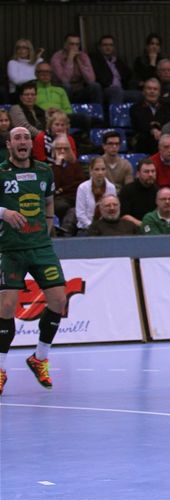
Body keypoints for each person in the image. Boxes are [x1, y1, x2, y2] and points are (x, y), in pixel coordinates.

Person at [0, 127, 68, 396]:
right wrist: (4, 213)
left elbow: (49, 201)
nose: (22, 142)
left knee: (59, 301)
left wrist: (48, 226)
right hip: (10, 249)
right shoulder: (1, 172)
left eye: (26, 138)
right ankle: (0, 368)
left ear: (31, 144)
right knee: (6, 306)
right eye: (17, 138)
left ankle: (39, 358)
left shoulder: (43, 171)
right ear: (9, 144)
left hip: (41, 247)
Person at [33, 62, 91, 134]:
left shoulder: (60, 90)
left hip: (61, 116)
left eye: (48, 72)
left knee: (85, 118)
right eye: (42, 72)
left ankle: (83, 139)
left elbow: (68, 110)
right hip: (42, 117)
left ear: (51, 74)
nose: (45, 74)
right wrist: (45, 112)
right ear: (36, 74)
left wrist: (59, 111)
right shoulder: (32, 90)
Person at [50, 33, 102, 104]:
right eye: (71, 44)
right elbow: (65, 80)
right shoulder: (57, 57)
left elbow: (91, 79)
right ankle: (67, 110)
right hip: (62, 90)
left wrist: (79, 62)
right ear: (65, 45)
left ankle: (97, 111)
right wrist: (70, 59)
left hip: (79, 90)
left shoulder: (83, 56)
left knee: (95, 86)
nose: (74, 47)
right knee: (67, 86)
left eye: (77, 44)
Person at [50, 133, 84, 235]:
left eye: (65, 148)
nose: (62, 151)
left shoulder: (76, 166)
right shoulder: (51, 168)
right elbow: (54, 186)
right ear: (54, 151)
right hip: (59, 200)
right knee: (61, 206)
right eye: (58, 148)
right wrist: (57, 166)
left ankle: (65, 232)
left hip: (74, 197)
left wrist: (62, 189)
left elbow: (78, 185)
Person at [130, 78, 170, 156]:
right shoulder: (135, 108)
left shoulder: (167, 108)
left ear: (159, 93)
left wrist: (160, 131)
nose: (152, 91)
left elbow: (168, 124)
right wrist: (152, 130)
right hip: (144, 142)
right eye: (149, 88)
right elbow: (140, 125)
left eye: (155, 89)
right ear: (143, 91)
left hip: (163, 139)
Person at [89, 35, 138, 104]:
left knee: (141, 95)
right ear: (99, 47)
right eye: (105, 45)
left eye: (111, 45)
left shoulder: (118, 62)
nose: (108, 47)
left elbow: (129, 75)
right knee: (116, 91)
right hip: (105, 90)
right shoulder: (95, 60)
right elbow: (98, 78)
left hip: (121, 90)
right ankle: (116, 111)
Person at [75, 157, 116, 234]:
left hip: (105, 229)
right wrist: (93, 227)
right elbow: (80, 214)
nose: (100, 173)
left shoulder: (111, 188)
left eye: (103, 169)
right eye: (97, 169)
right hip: (85, 229)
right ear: (91, 171)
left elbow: (113, 211)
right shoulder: (82, 188)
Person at [119, 158, 158, 227]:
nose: (150, 174)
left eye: (153, 171)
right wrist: (144, 225)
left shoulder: (158, 191)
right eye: (146, 172)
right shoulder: (127, 190)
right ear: (138, 174)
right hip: (132, 228)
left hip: (153, 227)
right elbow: (124, 216)